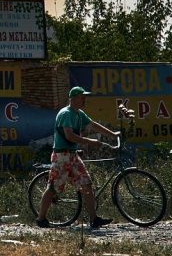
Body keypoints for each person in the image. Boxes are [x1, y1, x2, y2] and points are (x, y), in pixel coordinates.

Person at [35, 86, 120, 230]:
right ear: (73, 99)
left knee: (86, 184)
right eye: (82, 97)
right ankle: (41, 218)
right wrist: (90, 141)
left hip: (73, 156)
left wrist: (112, 134)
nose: (84, 100)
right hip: (62, 156)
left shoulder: (79, 114)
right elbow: (69, 136)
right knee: (53, 188)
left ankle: (94, 219)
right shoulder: (66, 113)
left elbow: (93, 125)